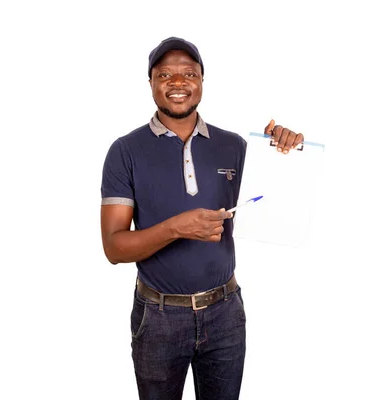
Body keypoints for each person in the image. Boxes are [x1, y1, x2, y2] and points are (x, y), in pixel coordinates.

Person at [100, 36, 304, 400]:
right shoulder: (125, 151)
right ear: (150, 83)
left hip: (225, 313)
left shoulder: (234, 146)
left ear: (201, 82)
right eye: (165, 74)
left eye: (188, 73)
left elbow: (279, 200)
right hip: (158, 318)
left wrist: (284, 148)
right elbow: (115, 247)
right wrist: (176, 227)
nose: (177, 82)